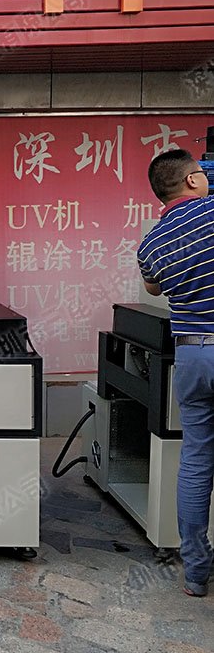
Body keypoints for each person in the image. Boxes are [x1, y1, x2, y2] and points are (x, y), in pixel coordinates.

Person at [137, 148, 214, 596]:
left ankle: (197, 573)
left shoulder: (151, 243)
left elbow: (152, 287)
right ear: (191, 180)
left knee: (196, 464)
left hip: (191, 358)